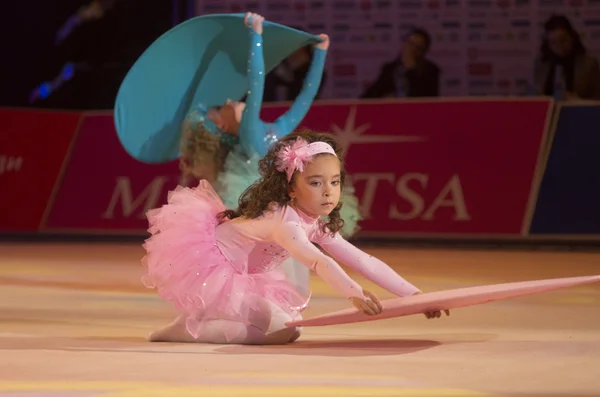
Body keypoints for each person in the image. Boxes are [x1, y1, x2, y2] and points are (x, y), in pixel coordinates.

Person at [142, 130, 448, 346]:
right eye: (315, 182)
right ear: (290, 188)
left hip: (244, 273)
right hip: (211, 266)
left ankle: (202, 321)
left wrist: (414, 296)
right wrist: (353, 293)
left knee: (286, 332)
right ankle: (185, 328)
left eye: (334, 182)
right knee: (282, 333)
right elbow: (317, 260)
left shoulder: (315, 222)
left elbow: (363, 260)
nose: (328, 191)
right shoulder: (284, 220)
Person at [178, 13, 362, 296]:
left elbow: (306, 96)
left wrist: (321, 54)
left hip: (286, 203)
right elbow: (258, 82)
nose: (230, 101)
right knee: (279, 255)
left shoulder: (277, 128)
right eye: (223, 107)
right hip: (269, 203)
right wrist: (256, 34)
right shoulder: (250, 132)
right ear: (227, 126)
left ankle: (290, 301)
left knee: (292, 253)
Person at [533, 14, 600, 100]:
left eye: (563, 40)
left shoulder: (589, 64)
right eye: (553, 43)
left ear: (572, 37)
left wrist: (578, 101)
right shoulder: (541, 63)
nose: (559, 46)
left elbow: (597, 99)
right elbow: (536, 92)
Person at [361, 27, 440, 99]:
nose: (412, 49)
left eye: (418, 47)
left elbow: (428, 99)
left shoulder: (431, 70)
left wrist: (410, 69)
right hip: (393, 111)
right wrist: (384, 99)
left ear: (423, 51)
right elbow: (369, 96)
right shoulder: (390, 69)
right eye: (410, 43)